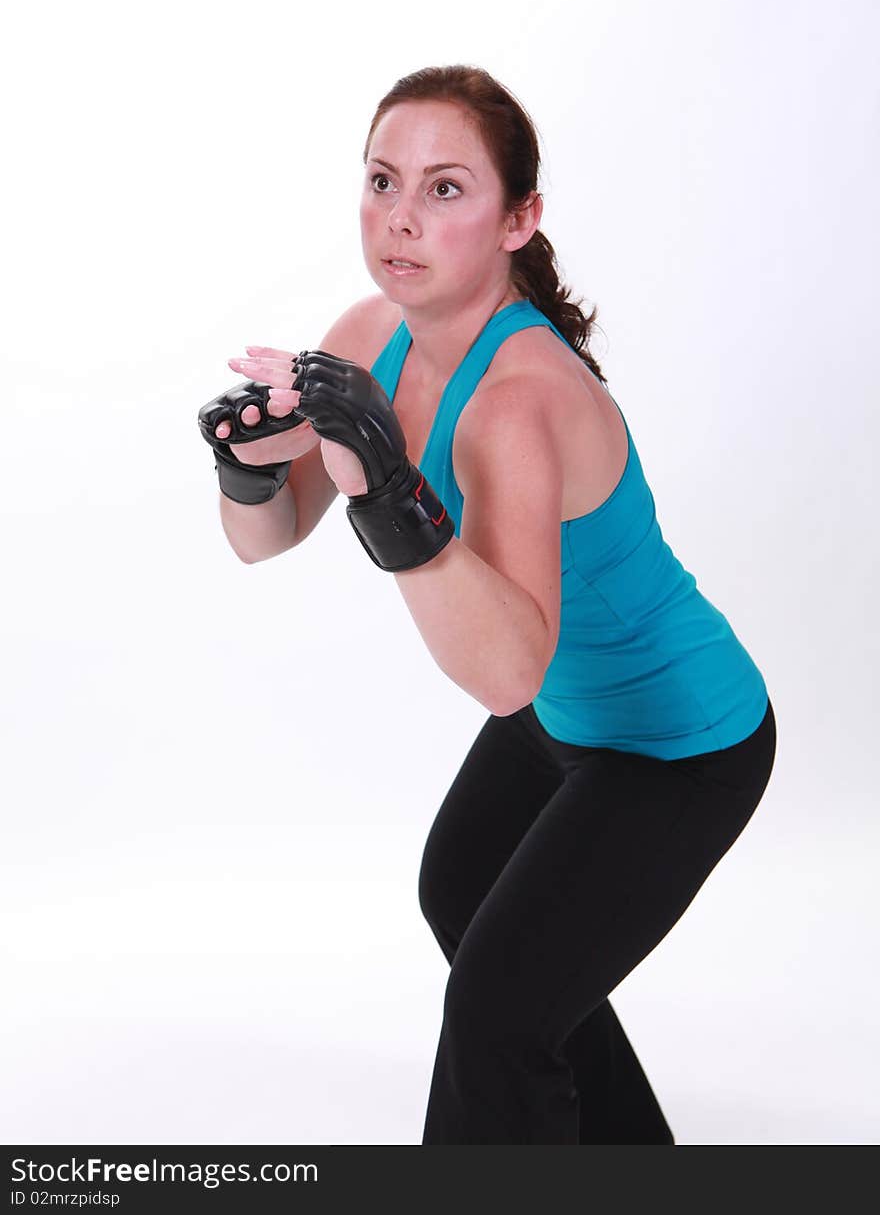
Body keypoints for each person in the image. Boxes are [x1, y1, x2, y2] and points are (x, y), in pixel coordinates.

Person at [198, 64, 777, 1145]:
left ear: (520, 219)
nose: (400, 217)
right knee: (464, 895)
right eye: (381, 180)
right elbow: (266, 540)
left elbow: (505, 666)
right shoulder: (371, 334)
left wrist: (389, 489)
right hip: (564, 714)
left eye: (446, 189)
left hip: (678, 742)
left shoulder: (521, 401)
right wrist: (244, 468)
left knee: (499, 1011)